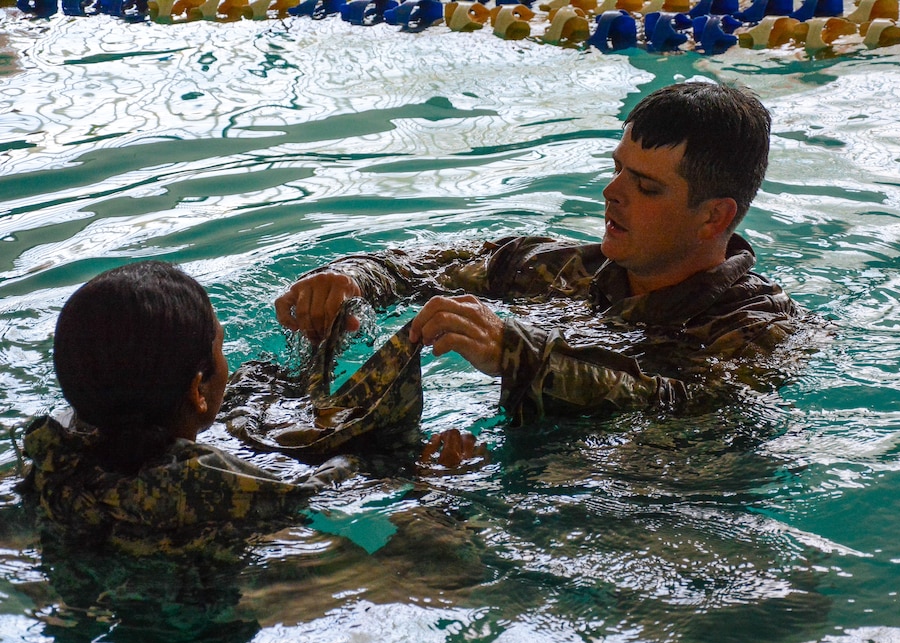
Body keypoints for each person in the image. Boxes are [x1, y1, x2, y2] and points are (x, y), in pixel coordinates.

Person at [275, 81, 807, 425]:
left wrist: (517, 352)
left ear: (713, 217)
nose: (611, 192)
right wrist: (350, 279)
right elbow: (420, 267)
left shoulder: (765, 332)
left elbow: (676, 402)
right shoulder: (564, 270)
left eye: (645, 187)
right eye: (617, 167)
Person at [19, 261, 475, 554]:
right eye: (220, 343)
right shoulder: (235, 501)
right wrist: (439, 491)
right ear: (199, 390)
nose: (230, 360)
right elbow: (419, 574)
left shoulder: (48, 469)